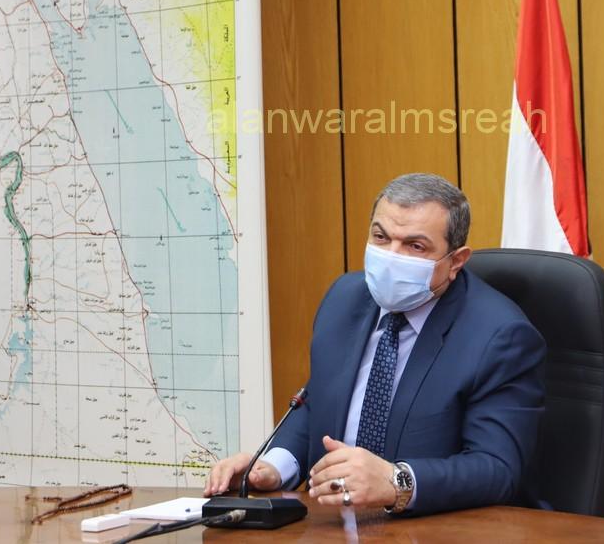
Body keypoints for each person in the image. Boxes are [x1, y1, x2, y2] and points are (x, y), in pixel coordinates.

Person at [204, 172, 546, 516]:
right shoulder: (344, 299)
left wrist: (397, 482)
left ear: (456, 261)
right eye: (381, 237)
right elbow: (317, 403)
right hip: (332, 522)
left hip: (437, 527)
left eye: (415, 246)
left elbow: (497, 468)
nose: (391, 256)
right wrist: (272, 467)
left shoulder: (499, 335)